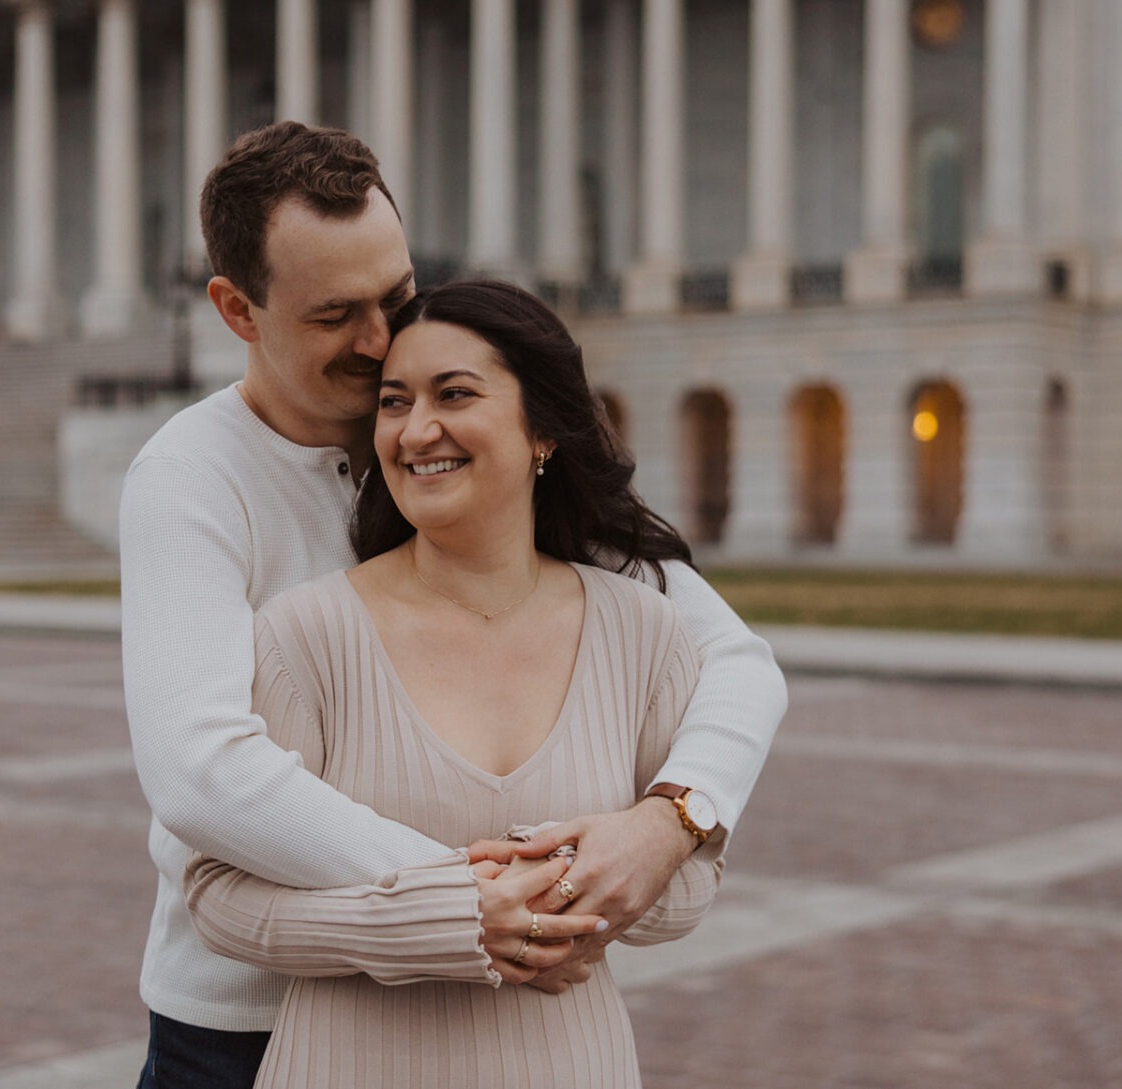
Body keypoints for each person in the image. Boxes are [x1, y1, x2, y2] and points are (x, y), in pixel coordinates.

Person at [120, 121, 787, 1088]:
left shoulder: (468, 454)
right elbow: (202, 770)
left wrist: (667, 821)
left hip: (494, 1009)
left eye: (395, 293)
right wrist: (466, 893)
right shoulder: (188, 477)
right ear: (237, 309)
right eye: (335, 314)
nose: (382, 337)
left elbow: (735, 661)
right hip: (248, 1017)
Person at [182, 278, 732, 1087]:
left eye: (455, 394)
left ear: (542, 427)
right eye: (395, 402)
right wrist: (442, 921)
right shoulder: (308, 633)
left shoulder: (641, 629)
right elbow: (216, 894)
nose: (416, 430)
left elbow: (689, 891)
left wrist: (597, 877)